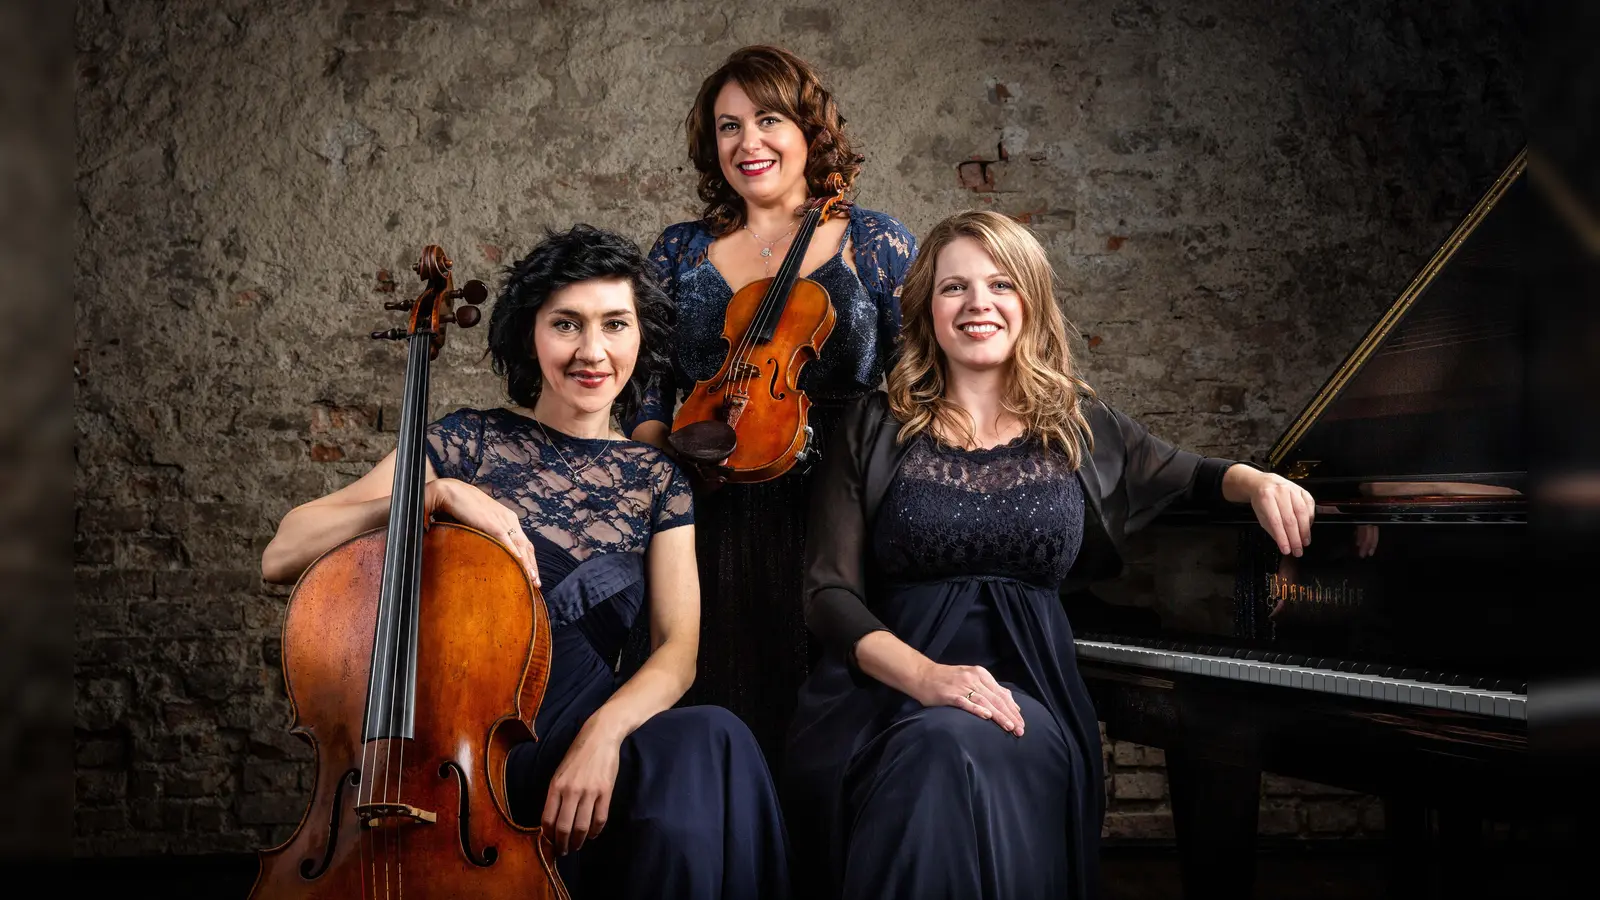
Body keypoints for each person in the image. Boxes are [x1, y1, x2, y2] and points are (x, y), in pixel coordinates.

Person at [781, 210, 1317, 900]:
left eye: (1001, 284)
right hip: (888, 691)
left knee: (950, 749)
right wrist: (926, 679)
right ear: (926, 310)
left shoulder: (1080, 427)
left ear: (1029, 302)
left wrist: (1258, 479)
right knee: (933, 747)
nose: (979, 304)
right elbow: (827, 594)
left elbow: (1195, 475)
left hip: (1030, 693)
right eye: (955, 289)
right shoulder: (872, 427)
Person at [260, 225, 790, 899]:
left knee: (711, 740)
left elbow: (677, 652)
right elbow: (283, 552)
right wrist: (434, 494)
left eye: (614, 325)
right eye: (566, 325)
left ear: (641, 337)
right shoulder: (464, 444)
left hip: (589, 734)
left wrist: (602, 739)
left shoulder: (658, 479)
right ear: (529, 335)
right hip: (457, 757)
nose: (592, 351)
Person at [626, 45, 919, 766]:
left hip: (840, 506)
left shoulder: (874, 241)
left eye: (768, 120)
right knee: (716, 700)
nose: (748, 143)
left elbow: (921, 383)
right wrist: (670, 459)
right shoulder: (679, 250)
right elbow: (647, 384)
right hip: (708, 507)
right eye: (729, 127)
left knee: (829, 717)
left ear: (808, 131)